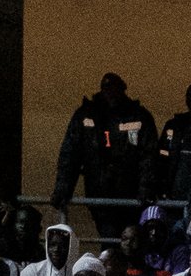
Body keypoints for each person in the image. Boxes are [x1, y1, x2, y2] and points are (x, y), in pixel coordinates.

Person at [50, 73, 157, 237]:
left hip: (130, 195)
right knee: (109, 236)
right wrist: (62, 189)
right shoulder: (86, 115)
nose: (110, 92)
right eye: (106, 88)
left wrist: (145, 190)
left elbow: (148, 156)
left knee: (129, 237)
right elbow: (70, 155)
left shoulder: (138, 116)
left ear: (123, 90)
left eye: (114, 88)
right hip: (98, 191)